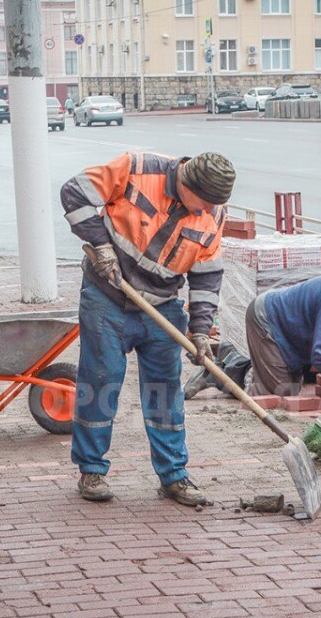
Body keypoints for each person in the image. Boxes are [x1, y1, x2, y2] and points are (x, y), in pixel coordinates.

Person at [60, 151, 236, 506]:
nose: (203, 211)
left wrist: (200, 330)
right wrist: (101, 244)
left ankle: (174, 476)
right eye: (201, 202)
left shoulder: (212, 213)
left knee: (164, 390)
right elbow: (74, 193)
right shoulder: (137, 169)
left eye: (211, 206)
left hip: (162, 306)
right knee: (102, 379)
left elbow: (206, 277)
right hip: (107, 295)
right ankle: (91, 469)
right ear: (185, 182)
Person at [244, 274, 321, 398]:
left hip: (294, 333)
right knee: (280, 393)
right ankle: (248, 373)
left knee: (293, 388)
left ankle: (258, 370)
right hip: (269, 319)